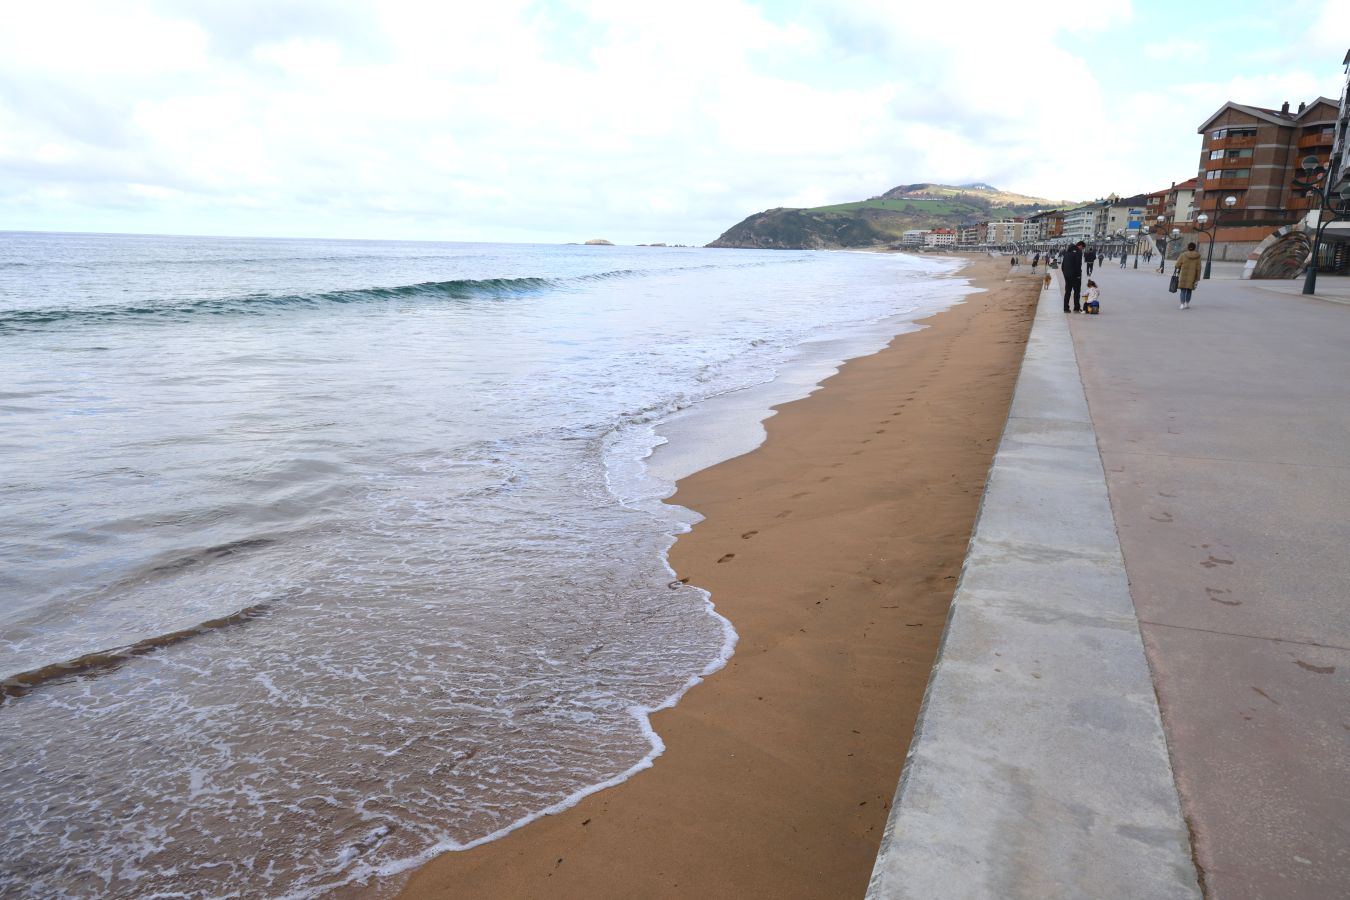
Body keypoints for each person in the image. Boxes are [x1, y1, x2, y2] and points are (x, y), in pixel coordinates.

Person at [1174, 241, 1202, 309]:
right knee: (1189, 290)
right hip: (1193, 276)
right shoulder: (1198, 257)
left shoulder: (1183, 255)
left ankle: (1182, 304)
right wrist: (1197, 278)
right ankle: (1187, 303)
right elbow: (1199, 268)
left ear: (1188, 247)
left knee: (1183, 290)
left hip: (1183, 275)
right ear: (1194, 248)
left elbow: (1177, 265)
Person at [1062, 241, 1084, 313]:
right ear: (1080, 246)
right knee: (1077, 292)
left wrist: (1065, 273)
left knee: (1068, 291)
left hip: (1067, 275)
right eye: (1082, 248)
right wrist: (1078, 275)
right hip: (1075, 275)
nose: (1082, 249)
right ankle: (1076, 308)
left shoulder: (1067, 251)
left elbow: (1063, 264)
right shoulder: (1078, 252)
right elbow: (1078, 264)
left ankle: (1066, 308)